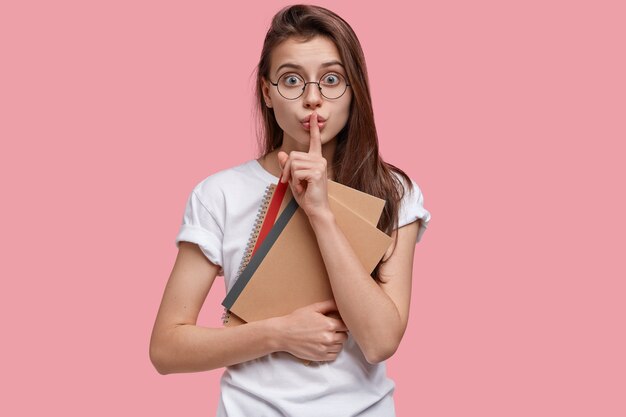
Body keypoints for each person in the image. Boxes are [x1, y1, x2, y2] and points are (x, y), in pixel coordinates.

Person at [149, 4, 431, 416]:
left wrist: (320, 211)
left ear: (354, 90)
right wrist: (280, 334)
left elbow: (380, 341)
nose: (313, 99)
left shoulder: (394, 191)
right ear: (267, 92)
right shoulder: (220, 194)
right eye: (292, 80)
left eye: (331, 79)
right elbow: (166, 348)